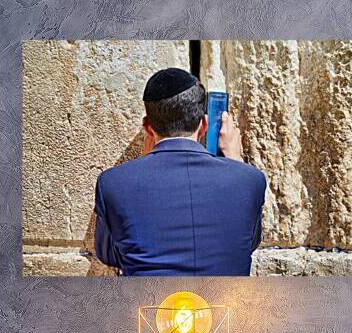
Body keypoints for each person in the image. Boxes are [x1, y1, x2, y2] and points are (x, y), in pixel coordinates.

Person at [93, 67, 266, 276]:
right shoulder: (251, 181)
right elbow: (248, 242)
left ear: (147, 128)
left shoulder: (111, 184)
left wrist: (144, 163)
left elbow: (109, 254)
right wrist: (236, 161)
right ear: (203, 125)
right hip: (225, 306)